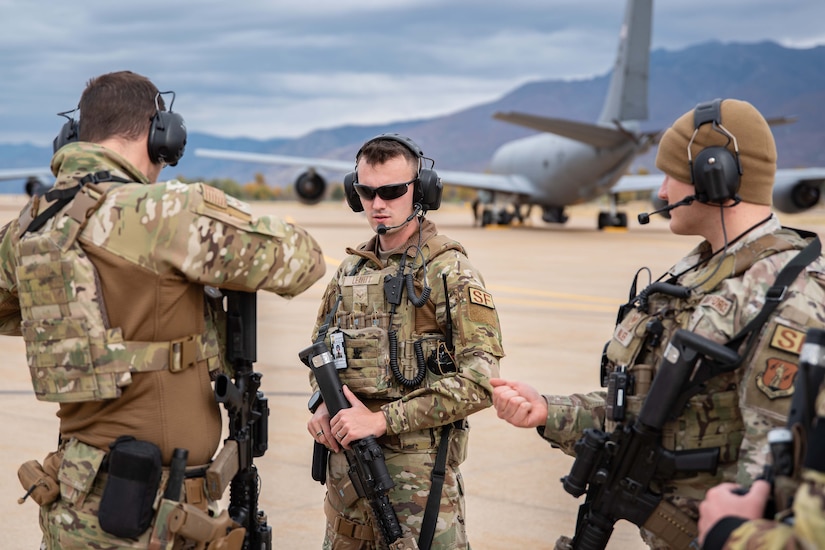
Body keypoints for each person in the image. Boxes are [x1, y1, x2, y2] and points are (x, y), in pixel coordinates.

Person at [0, 70, 326, 549]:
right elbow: (304, 261)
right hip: (154, 515)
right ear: (160, 134)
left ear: (73, 136)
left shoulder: (29, 226)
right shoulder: (164, 212)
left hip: (73, 497)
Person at [491, 99, 825, 549]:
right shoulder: (703, 271)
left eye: (671, 174)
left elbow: (776, 476)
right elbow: (651, 407)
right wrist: (550, 411)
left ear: (715, 176)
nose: (663, 192)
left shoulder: (789, 299)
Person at [305, 133, 504, 548]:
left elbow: (480, 382)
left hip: (417, 488)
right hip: (347, 484)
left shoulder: (449, 270)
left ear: (422, 191)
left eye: (393, 191)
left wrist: (380, 421)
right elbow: (320, 353)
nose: (378, 204)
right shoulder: (349, 271)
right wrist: (323, 403)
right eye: (367, 191)